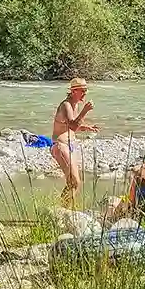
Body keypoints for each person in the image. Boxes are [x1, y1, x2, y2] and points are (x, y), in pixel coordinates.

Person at [51, 77, 98, 208]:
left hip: (71, 145)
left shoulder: (75, 104)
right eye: (82, 90)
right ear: (73, 91)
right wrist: (85, 111)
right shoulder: (66, 105)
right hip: (61, 145)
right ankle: (62, 210)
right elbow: (72, 125)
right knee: (74, 181)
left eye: (86, 90)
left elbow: (73, 126)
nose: (85, 93)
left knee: (75, 183)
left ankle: (65, 208)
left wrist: (86, 127)